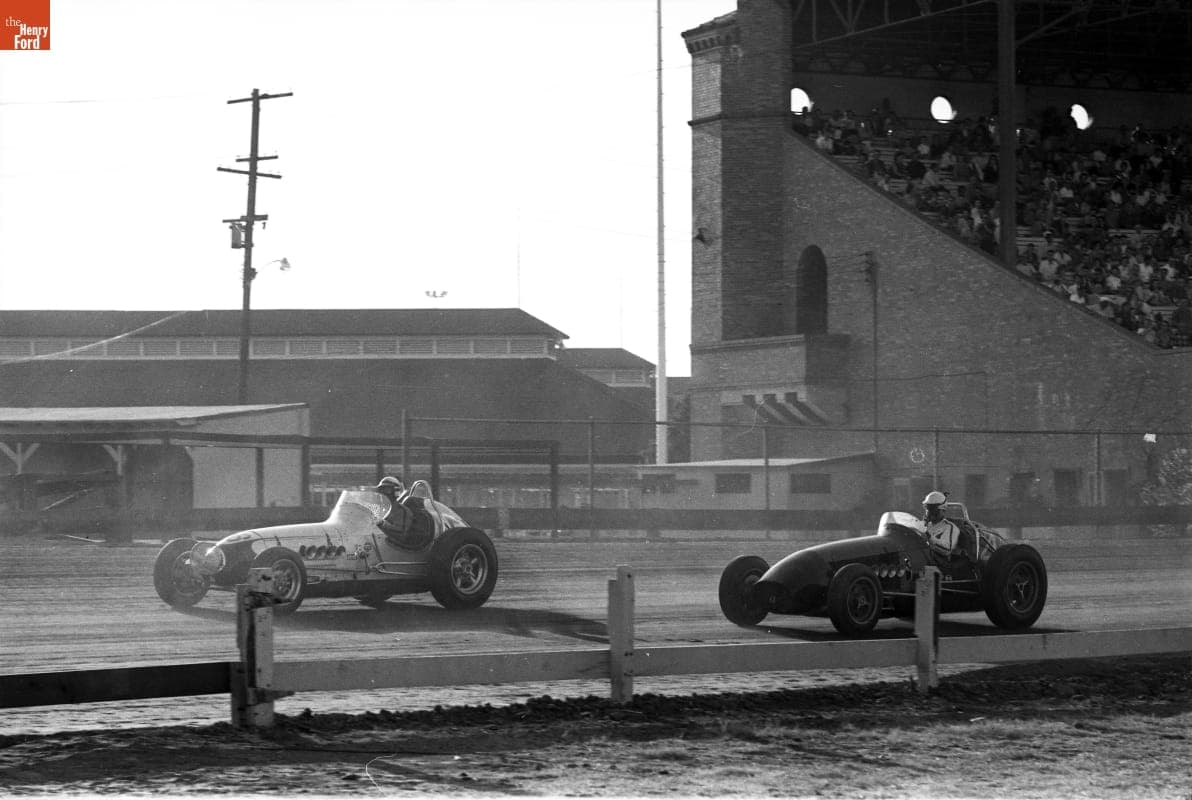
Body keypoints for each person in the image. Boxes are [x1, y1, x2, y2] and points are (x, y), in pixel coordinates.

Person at [374, 476, 434, 550]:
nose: (383, 494)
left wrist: (383, 523)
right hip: (379, 545)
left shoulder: (402, 511)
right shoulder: (380, 510)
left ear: (396, 492)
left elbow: (401, 534)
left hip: (392, 550)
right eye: (381, 490)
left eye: (387, 490)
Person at [921, 491, 962, 565]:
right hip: (921, 562)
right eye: (928, 509)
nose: (930, 513)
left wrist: (929, 537)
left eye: (933, 510)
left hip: (940, 567)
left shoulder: (950, 527)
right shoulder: (923, 525)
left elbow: (947, 550)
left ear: (943, 510)